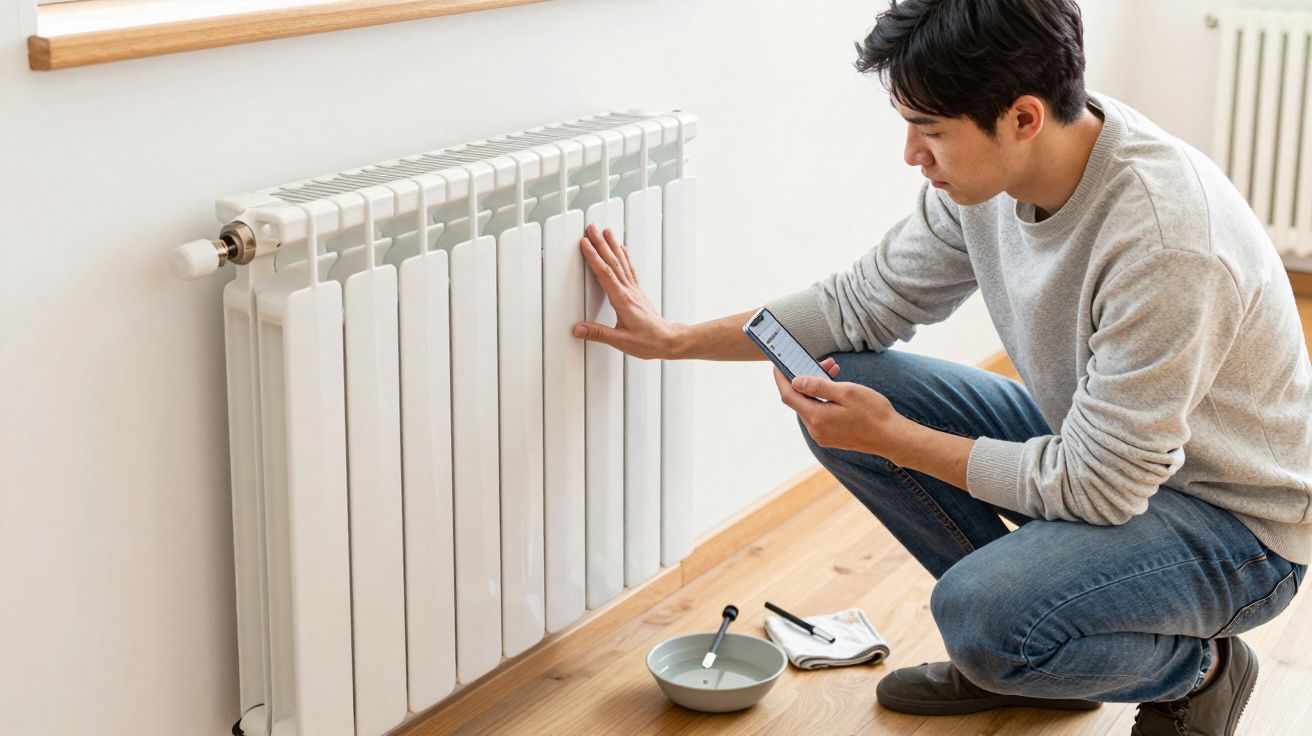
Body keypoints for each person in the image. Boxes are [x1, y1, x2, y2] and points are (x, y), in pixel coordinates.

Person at [570, 0, 1312, 733]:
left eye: (930, 132)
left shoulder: (1165, 241)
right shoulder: (1001, 172)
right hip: (1108, 455)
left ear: (1022, 117)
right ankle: (1039, 649)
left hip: (1234, 526)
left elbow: (1101, 486)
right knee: (860, 385)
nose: (911, 156)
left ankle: (1194, 673)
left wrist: (894, 438)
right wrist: (674, 338)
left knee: (979, 614)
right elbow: (856, 305)